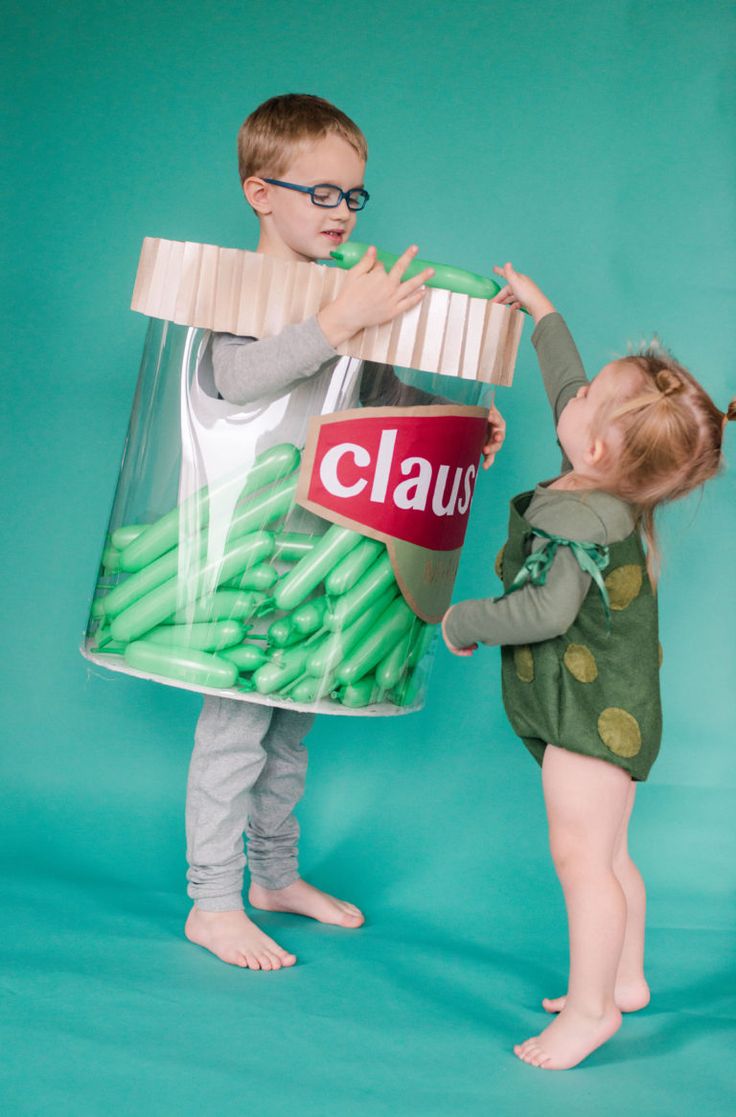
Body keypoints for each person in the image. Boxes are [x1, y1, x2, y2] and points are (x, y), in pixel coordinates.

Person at [185, 93, 505, 971]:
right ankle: (211, 900)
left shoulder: (346, 292)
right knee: (235, 725)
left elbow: (371, 400)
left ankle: (273, 875)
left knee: (293, 723)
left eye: (353, 196)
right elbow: (233, 379)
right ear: (260, 192)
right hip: (249, 547)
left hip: (328, 540)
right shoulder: (244, 289)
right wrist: (335, 323)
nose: (341, 212)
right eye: (321, 193)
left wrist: (451, 426)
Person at [443, 262, 735, 1070]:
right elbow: (571, 385)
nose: (565, 400)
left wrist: (463, 620)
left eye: (581, 405)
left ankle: (593, 1006)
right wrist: (541, 310)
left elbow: (543, 611)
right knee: (609, 855)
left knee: (581, 860)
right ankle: (628, 977)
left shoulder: (578, 513)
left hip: (589, 720)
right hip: (623, 704)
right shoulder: (620, 472)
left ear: (598, 445)